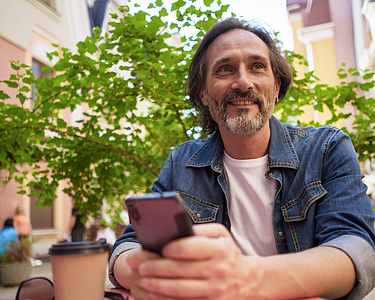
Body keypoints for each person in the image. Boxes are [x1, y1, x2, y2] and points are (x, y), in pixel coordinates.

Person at [108, 18, 375, 300]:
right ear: (204, 93)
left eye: (257, 67)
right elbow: (128, 246)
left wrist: (246, 278)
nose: (243, 82)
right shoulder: (181, 161)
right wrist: (144, 271)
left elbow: (358, 250)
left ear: (275, 87)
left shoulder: (327, 148)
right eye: (225, 69)